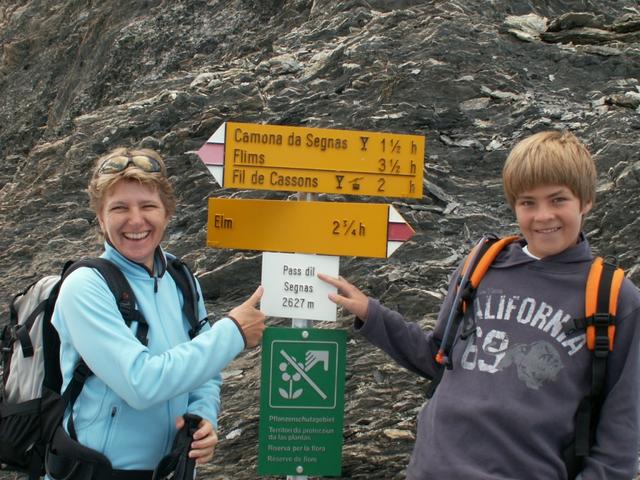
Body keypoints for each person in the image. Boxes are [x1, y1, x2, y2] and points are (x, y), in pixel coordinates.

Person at [319, 131, 640, 479]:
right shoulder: (482, 265)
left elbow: (619, 436)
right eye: (527, 203)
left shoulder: (615, 298)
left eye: (558, 199)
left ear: (586, 201)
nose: (543, 216)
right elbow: (437, 359)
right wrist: (372, 313)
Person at [50, 147, 266, 478]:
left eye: (148, 206)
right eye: (119, 208)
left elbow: (206, 373)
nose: (136, 220)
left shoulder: (181, 279)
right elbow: (141, 383)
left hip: (171, 470)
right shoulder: (85, 287)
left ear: (167, 213)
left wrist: (203, 415)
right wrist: (234, 331)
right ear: (100, 218)